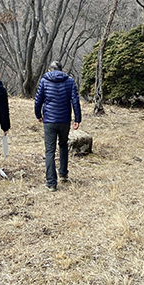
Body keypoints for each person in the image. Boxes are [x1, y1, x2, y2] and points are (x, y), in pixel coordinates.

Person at [34, 60, 81, 191]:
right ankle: (63, 173)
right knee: (63, 145)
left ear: (50, 70)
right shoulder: (69, 81)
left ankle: (51, 183)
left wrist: (38, 115)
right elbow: (75, 101)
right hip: (65, 120)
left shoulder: (44, 80)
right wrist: (77, 118)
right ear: (61, 70)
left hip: (49, 120)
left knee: (49, 150)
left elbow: (38, 100)